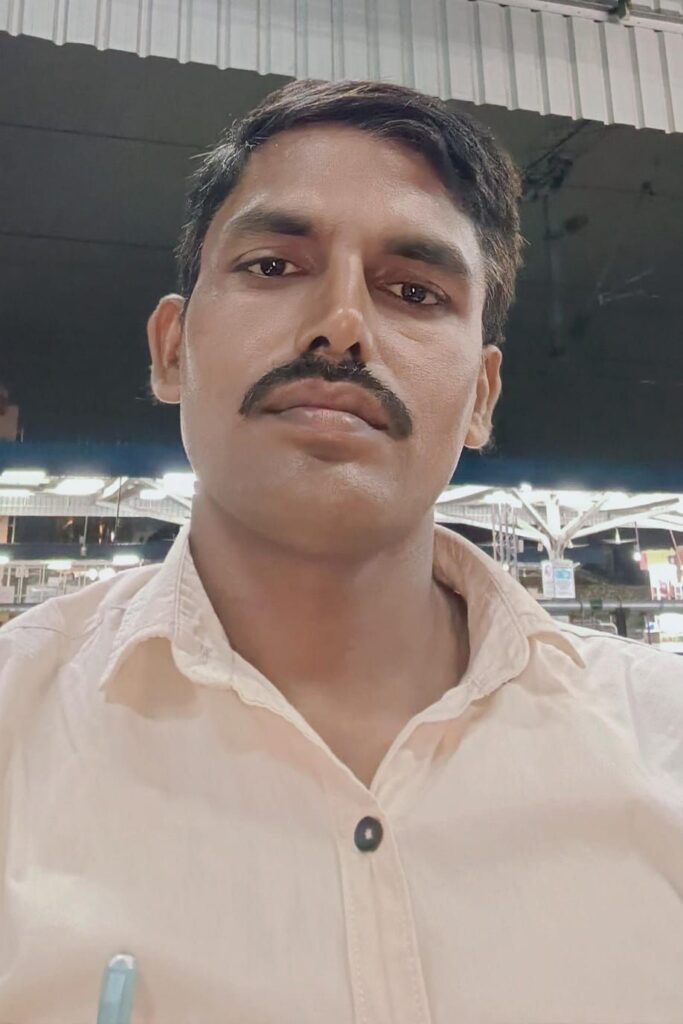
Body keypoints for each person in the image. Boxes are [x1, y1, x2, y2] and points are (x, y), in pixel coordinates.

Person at [0, 79, 681, 1024]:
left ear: (481, 397)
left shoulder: (660, 741)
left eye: (414, 291)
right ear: (171, 348)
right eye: (273, 266)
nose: (341, 325)